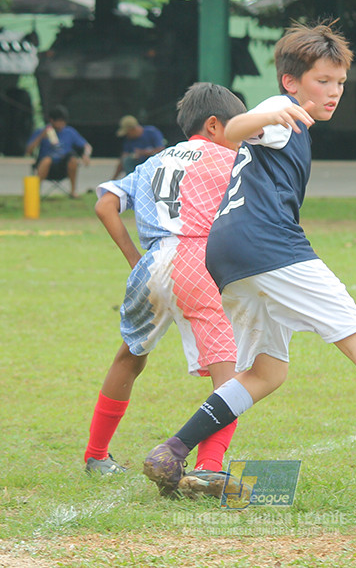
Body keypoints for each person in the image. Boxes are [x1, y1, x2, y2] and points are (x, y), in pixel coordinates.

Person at [143, 22, 356, 496]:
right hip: (266, 245)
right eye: (321, 81)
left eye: (340, 83)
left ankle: (172, 452)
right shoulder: (279, 109)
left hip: (227, 252)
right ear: (291, 81)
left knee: (268, 372)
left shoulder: (294, 123)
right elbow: (234, 130)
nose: (333, 92)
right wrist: (270, 116)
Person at [86, 83, 245, 498]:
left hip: (153, 262)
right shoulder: (229, 159)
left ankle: (97, 456)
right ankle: (209, 468)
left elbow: (105, 203)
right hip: (199, 261)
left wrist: (135, 259)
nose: (243, 137)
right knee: (229, 371)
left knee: (130, 355)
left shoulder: (155, 160)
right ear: (214, 125)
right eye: (239, 128)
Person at [25, 104, 91, 198]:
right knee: (47, 160)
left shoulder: (69, 132)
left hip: (63, 167)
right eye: (59, 121)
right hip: (46, 166)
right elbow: (28, 151)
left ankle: (73, 191)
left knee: (73, 159)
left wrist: (86, 155)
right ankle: (35, 193)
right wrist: (40, 137)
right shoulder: (42, 131)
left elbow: (87, 146)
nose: (62, 124)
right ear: (52, 121)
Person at [112, 114, 164, 179]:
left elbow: (161, 150)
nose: (127, 135)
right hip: (137, 166)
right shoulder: (129, 140)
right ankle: (131, 180)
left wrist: (143, 153)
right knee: (127, 160)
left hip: (152, 165)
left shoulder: (152, 132)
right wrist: (113, 178)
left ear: (132, 129)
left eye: (127, 132)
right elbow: (123, 158)